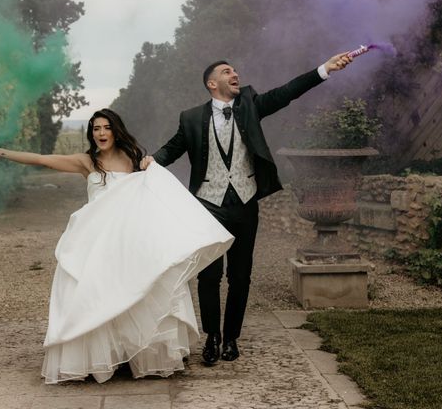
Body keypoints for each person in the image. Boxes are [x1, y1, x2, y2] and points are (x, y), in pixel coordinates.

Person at [0, 108, 234, 383]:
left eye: (106, 128)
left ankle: (139, 353)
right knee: (97, 295)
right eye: (96, 129)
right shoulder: (87, 162)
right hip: (98, 241)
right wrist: (6, 153)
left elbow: (156, 193)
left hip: (131, 240)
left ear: (116, 130)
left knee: (138, 292)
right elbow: (44, 160)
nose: (101, 133)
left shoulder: (135, 159)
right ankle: (102, 358)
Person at [140, 53, 353, 364]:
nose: (235, 74)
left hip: (244, 202)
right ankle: (212, 337)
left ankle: (231, 339)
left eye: (236, 70)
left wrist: (324, 70)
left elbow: (287, 92)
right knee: (210, 276)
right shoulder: (190, 118)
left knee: (241, 276)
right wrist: (149, 162)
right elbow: (172, 148)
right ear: (212, 83)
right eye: (227, 72)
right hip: (207, 205)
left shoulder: (250, 104)